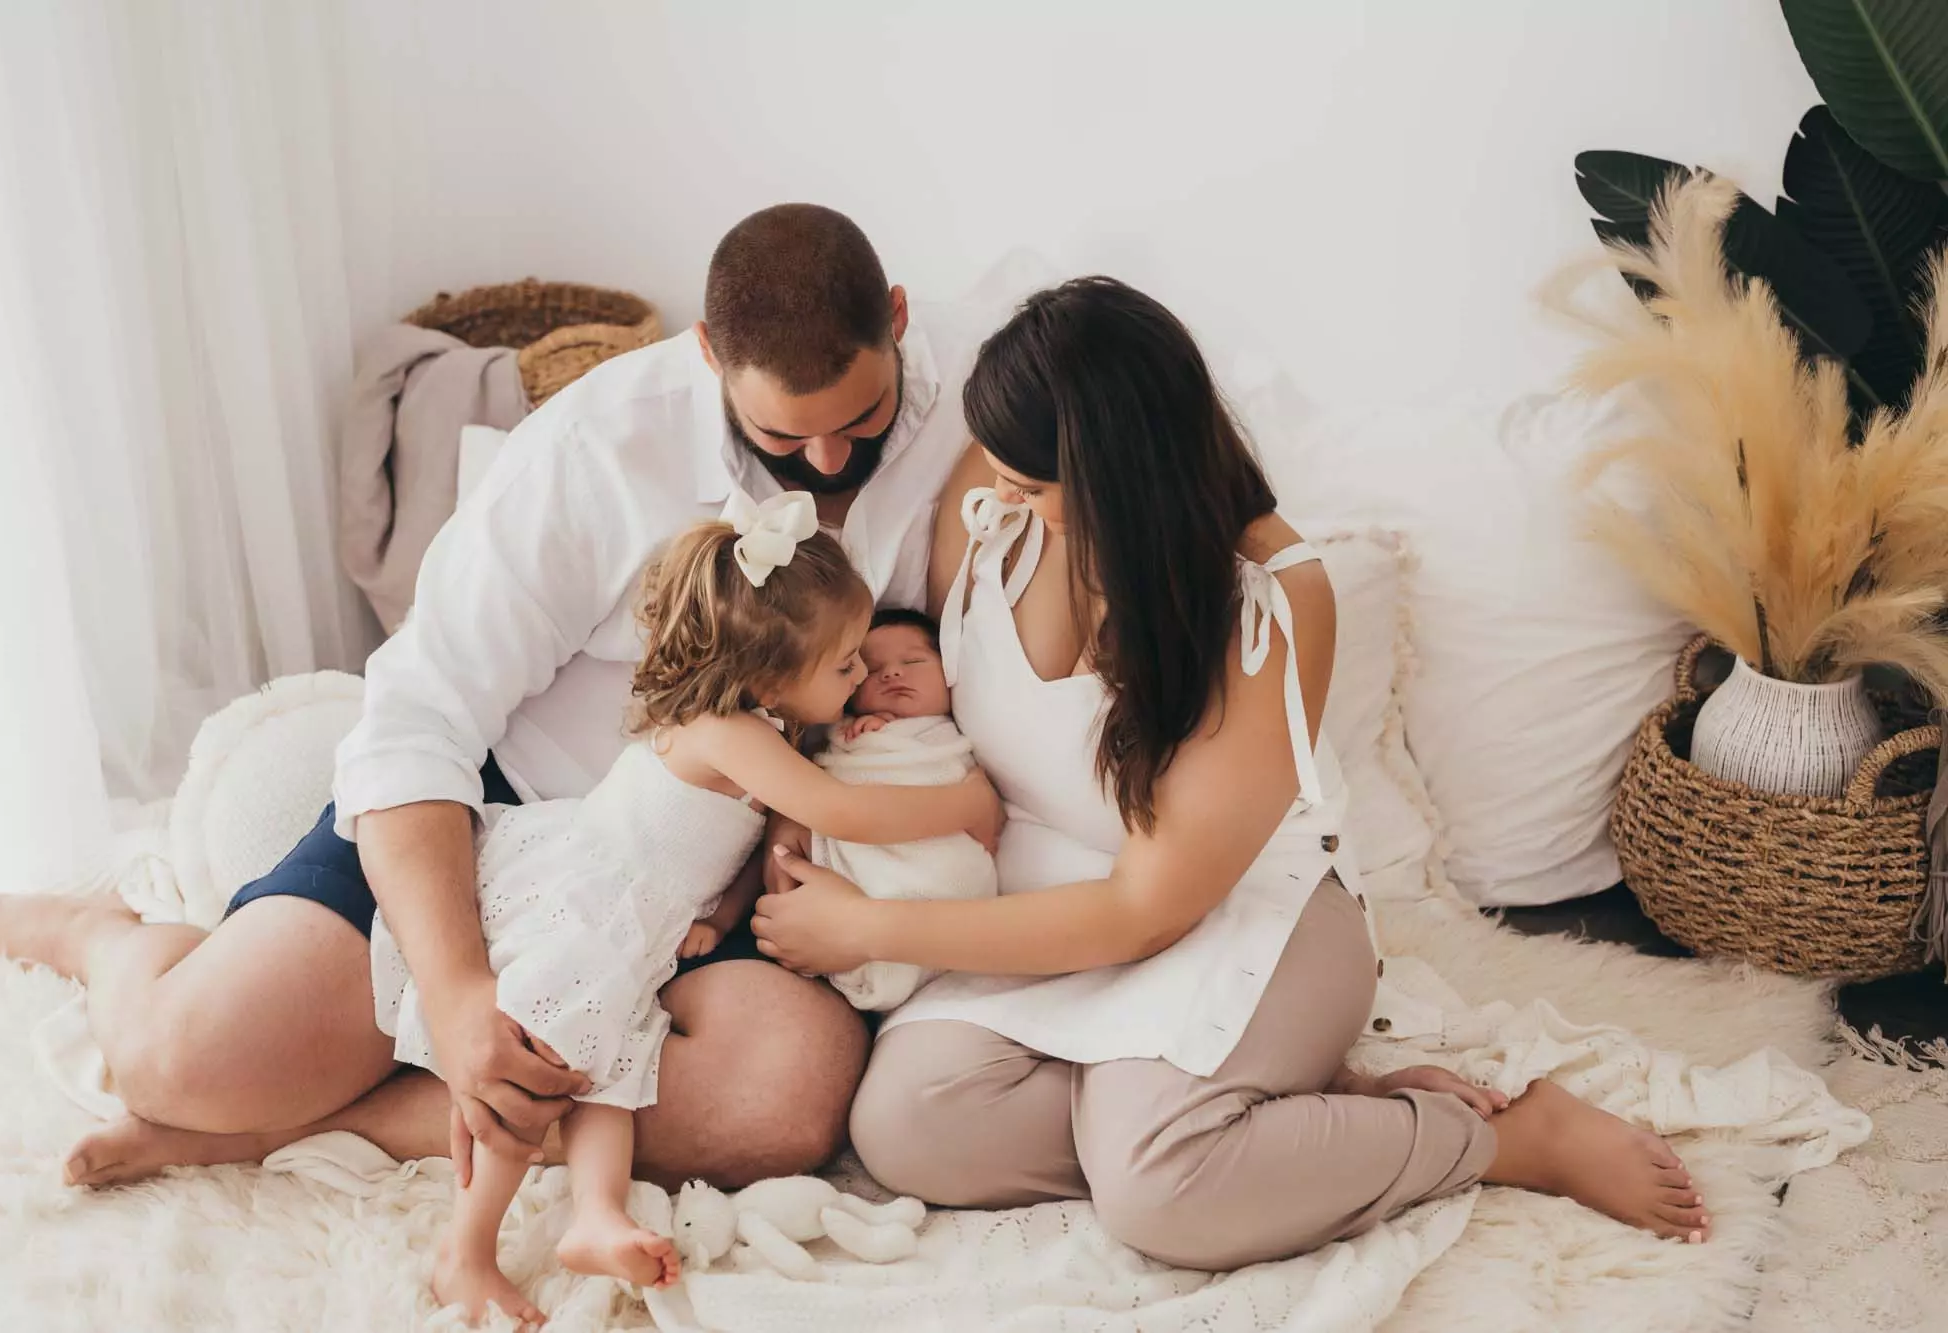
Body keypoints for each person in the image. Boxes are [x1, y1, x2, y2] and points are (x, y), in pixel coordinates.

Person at [0, 204, 982, 1193]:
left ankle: (290, 1129)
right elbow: (417, 718)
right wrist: (455, 993)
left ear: (896, 319)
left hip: (716, 875)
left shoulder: (976, 407)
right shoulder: (592, 451)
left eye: (860, 419)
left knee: (775, 1106)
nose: (828, 461)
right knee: (179, 1061)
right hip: (510, 823)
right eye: (786, 438)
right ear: (710, 355)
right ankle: (98, 936)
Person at [750, 276, 1714, 1270]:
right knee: (907, 1128)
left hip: (1234, 913)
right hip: (1036, 910)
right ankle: (1266, 1119)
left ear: (1114, 472)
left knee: (1158, 1197)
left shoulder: (1265, 600)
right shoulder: (998, 496)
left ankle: (1500, 1140)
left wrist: (869, 927)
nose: (997, 497)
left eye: (1029, 486)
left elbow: (1146, 910)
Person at [387, 503, 996, 1322]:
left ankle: (597, 1212)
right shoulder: (724, 729)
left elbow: (739, 838)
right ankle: (465, 1251)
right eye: (846, 663)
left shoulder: (768, 723)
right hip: (596, 898)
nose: (859, 677)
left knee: (611, 1068)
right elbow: (837, 810)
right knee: (539, 1062)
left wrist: (725, 909)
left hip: (652, 921)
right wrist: (964, 803)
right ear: (772, 679)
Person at [815, 608, 997, 1011]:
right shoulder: (848, 734)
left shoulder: (954, 736)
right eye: (873, 669)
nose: (893, 674)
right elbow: (828, 781)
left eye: (913, 662)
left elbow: (986, 824)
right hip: (866, 865)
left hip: (942, 878)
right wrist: (861, 739)